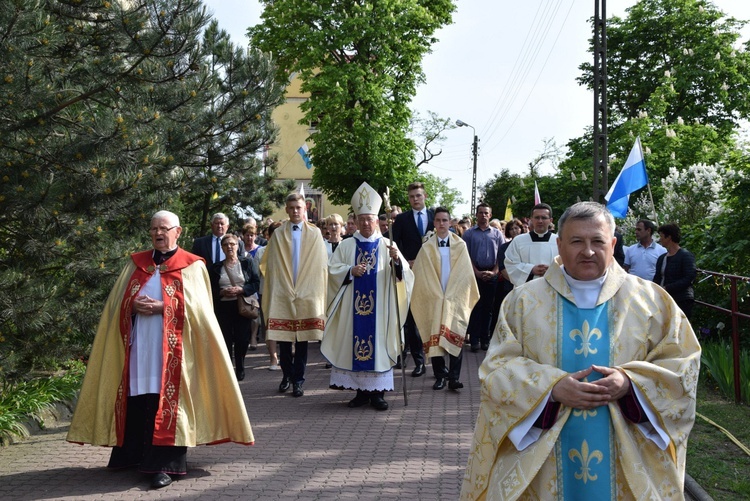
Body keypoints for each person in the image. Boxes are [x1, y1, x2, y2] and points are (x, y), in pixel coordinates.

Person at [460, 202, 701, 500]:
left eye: (597, 241)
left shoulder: (651, 301)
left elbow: (682, 366)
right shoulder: (522, 302)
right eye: (576, 241)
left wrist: (630, 384)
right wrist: (551, 388)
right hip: (543, 461)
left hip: (626, 455)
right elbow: (497, 369)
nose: (587, 251)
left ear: (612, 244)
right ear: (559, 245)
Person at [67, 211, 253, 489]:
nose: (158, 233)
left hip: (176, 353)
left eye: (164, 228)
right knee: (139, 398)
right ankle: (131, 455)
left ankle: (164, 465)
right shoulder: (135, 264)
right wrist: (131, 306)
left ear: (178, 232)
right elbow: (115, 305)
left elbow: (201, 313)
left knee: (166, 402)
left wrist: (163, 307)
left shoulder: (193, 266)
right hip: (139, 347)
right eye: (154, 228)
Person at [321, 182, 414, 411]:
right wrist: (349, 271)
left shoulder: (387, 244)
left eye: (369, 219)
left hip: (380, 310)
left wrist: (396, 261)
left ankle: (378, 394)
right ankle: (361, 393)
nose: (365, 223)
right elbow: (331, 270)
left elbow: (405, 277)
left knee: (379, 347)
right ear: (355, 220)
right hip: (353, 310)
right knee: (355, 345)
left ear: (377, 221)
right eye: (361, 219)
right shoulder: (346, 245)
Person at [260, 193, 328, 398]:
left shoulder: (315, 234)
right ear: (287, 210)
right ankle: (286, 376)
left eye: (299, 207)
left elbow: (320, 265)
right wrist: (282, 285)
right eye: (292, 208)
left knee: (302, 341)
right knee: (283, 339)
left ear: (304, 208)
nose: (296, 211)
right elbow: (270, 265)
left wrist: (309, 288)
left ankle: (298, 380)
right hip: (283, 292)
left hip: (307, 292)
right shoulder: (279, 234)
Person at [411, 207, 479, 391]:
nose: (441, 224)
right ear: (434, 223)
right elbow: (421, 274)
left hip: (454, 297)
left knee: (456, 333)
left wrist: (454, 294)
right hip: (434, 297)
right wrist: (433, 294)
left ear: (450, 223)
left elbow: (465, 274)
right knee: (435, 337)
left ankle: (454, 377)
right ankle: (440, 375)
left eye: (445, 220)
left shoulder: (460, 245)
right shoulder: (426, 247)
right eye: (438, 220)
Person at [391, 181, 433, 375]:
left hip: (433, 275)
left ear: (424, 196)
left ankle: (439, 364)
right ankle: (419, 362)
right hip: (410, 275)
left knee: (433, 318)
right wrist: (405, 262)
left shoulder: (435, 217)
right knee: (412, 321)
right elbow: (394, 244)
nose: (415, 199)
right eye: (411, 196)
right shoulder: (401, 220)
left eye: (418, 195)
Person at [209, 234, 261, 381]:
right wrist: (221, 291)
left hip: (242, 305)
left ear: (238, 246)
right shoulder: (215, 267)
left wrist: (242, 290)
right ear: (222, 248)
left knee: (242, 339)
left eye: (232, 244)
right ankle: (228, 368)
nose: (229, 247)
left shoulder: (246, 262)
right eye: (226, 245)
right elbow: (210, 288)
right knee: (226, 338)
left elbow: (255, 283)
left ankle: (240, 366)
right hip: (223, 307)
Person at [463, 202, 504, 352]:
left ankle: (485, 339)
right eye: (481, 212)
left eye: (486, 213)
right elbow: (465, 256)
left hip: (492, 274)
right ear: (476, 214)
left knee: (488, 308)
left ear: (490, 215)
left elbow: (501, 256)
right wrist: (476, 272)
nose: (483, 215)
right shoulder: (469, 234)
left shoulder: (497, 234)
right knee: (475, 307)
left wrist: (494, 272)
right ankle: (474, 340)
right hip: (474, 273)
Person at [503, 203, 558, 286]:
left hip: (552, 289)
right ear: (531, 219)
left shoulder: (559, 241)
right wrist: (531, 269)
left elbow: (566, 266)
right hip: (526, 291)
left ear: (551, 220)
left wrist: (551, 270)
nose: (540, 221)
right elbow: (510, 264)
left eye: (544, 218)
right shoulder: (519, 241)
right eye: (537, 217)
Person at [653, 223, 697, 319]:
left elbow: (689, 277)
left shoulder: (686, 256)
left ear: (669, 237)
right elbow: (657, 278)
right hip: (665, 299)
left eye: (661, 236)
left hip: (682, 299)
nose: (660, 239)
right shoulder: (662, 258)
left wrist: (668, 288)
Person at [255, 221, 282, 371]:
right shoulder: (261, 252)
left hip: (285, 294)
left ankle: (285, 353)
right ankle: (273, 357)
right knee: (270, 325)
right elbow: (256, 275)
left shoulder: (290, 251)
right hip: (266, 293)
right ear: (269, 236)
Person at [489, 218, 524, 335]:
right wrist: (514, 281)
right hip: (507, 285)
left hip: (524, 284)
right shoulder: (504, 247)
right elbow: (502, 268)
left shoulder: (526, 246)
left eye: (516, 228)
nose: (514, 231)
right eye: (511, 229)